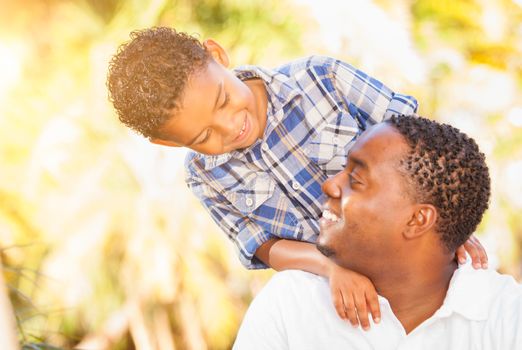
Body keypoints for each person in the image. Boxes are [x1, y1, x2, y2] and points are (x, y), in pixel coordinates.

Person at [106, 27, 488, 329]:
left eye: (222, 100)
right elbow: (262, 245)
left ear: (218, 56)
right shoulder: (204, 176)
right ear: (168, 144)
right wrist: (331, 268)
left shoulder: (323, 79)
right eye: (203, 137)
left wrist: (446, 227)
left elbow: (416, 143)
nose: (229, 126)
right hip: (340, 296)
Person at [233, 114, 522, 349]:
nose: (329, 185)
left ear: (418, 220)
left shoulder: (508, 318)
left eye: (356, 179)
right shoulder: (290, 304)